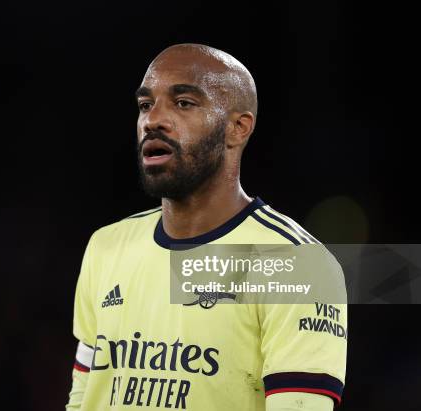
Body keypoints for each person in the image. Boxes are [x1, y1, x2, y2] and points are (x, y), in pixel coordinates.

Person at [66, 44, 347, 411]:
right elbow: (83, 398)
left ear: (238, 128)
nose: (153, 120)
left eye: (183, 103)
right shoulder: (106, 246)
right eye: (145, 105)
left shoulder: (297, 265)